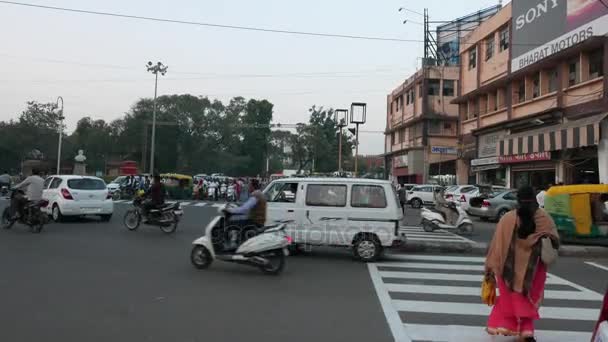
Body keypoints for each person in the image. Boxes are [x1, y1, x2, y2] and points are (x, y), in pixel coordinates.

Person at [485, 186, 559, 341]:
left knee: (509, 297)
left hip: (507, 270)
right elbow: (555, 242)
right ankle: (526, 331)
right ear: (534, 200)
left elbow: (496, 245)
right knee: (528, 298)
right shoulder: (544, 218)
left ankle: (507, 326)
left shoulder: (507, 219)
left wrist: (490, 269)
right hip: (533, 271)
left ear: (517, 200)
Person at [223, 179, 267, 249]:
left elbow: (244, 209)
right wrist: (238, 205)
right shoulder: (259, 193)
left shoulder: (255, 195)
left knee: (231, 221)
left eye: (249, 185)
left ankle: (233, 243)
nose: (248, 187)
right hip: (258, 219)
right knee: (239, 218)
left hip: (255, 220)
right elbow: (248, 205)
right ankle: (238, 239)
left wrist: (230, 210)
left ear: (252, 186)